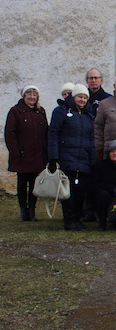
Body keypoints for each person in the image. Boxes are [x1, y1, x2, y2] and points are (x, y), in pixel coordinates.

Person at [48, 84, 96, 231]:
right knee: (68, 192)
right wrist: (53, 158)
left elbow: (92, 140)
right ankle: (69, 220)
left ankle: (77, 219)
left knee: (80, 191)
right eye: (80, 97)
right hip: (66, 158)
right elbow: (53, 134)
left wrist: (93, 160)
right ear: (73, 97)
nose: (82, 100)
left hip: (83, 160)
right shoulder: (60, 112)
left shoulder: (88, 116)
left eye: (85, 98)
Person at [5, 85, 48, 222]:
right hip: (22, 154)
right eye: (29, 94)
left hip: (37, 154)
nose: (32, 97)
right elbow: (10, 134)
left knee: (35, 184)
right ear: (24, 96)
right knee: (22, 184)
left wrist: (46, 152)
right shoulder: (15, 111)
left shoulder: (40, 111)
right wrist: (15, 153)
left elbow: (45, 133)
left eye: (34, 95)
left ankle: (32, 211)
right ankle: (23, 211)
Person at [91, 140, 116, 231]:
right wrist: (112, 188)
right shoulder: (100, 165)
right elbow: (94, 184)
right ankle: (102, 222)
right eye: (112, 151)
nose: (115, 153)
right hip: (105, 194)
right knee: (103, 195)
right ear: (108, 153)